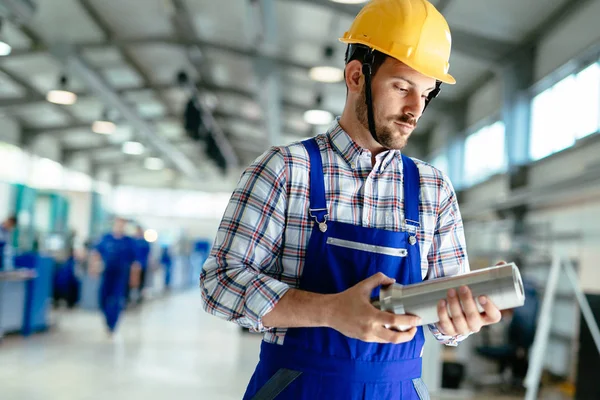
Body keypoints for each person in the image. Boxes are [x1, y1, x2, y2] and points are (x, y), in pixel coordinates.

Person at [200, 1, 503, 398]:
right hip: (297, 386)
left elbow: (444, 325)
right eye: (402, 87)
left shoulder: (433, 189)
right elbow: (218, 283)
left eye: (426, 94)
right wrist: (329, 311)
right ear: (357, 75)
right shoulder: (286, 170)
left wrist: (461, 319)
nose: (415, 110)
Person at [90, 217, 137, 335]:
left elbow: (135, 263)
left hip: (121, 274)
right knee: (102, 298)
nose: (119, 226)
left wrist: (134, 278)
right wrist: (94, 268)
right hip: (107, 272)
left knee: (117, 299)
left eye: (122, 224)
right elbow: (96, 253)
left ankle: (112, 324)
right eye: (118, 224)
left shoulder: (129, 241)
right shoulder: (106, 238)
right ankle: (107, 319)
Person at [132, 225, 151, 304]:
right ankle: (130, 297)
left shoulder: (145, 242)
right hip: (133, 266)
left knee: (141, 281)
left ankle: (139, 296)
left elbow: (148, 254)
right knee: (132, 281)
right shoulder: (133, 241)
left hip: (143, 264)